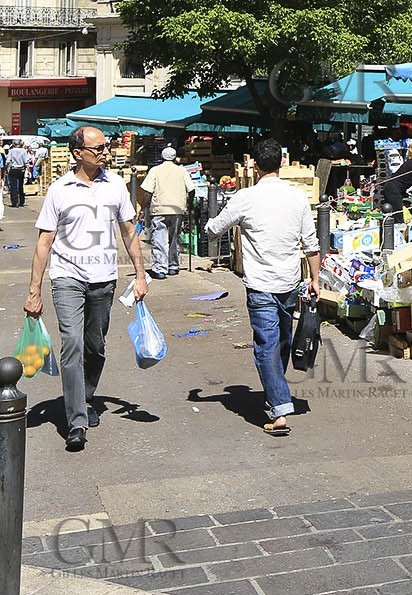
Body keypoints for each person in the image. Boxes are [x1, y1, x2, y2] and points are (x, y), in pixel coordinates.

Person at [23, 125, 147, 452]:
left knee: (96, 346)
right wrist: (34, 290)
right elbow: (44, 242)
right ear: (78, 153)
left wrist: (140, 275)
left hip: (104, 280)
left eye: (106, 146)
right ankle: (76, 420)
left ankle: (86, 395)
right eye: (98, 148)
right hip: (67, 278)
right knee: (73, 344)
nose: (105, 152)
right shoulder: (59, 190)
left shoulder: (115, 185)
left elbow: (129, 230)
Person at [205, 135, 320, 437]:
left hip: (260, 285)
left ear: (255, 165)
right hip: (290, 282)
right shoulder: (297, 197)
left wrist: (212, 220)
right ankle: (276, 397)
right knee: (280, 342)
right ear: (281, 162)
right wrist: (315, 279)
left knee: (267, 345)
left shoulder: (245, 198)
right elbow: (311, 245)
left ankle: (279, 405)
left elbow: (214, 229)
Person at [139, 145, 194, 278]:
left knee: (159, 238)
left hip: (160, 209)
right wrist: (189, 204)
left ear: (162, 157)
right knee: (174, 238)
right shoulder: (182, 171)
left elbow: (147, 192)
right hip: (177, 208)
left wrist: (143, 208)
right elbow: (191, 190)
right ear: (174, 158)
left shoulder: (155, 170)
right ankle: (173, 266)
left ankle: (160, 268)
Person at [7, 140, 29, 208]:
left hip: (14, 169)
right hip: (21, 169)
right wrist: (28, 170)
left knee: (13, 186)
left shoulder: (11, 151)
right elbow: (26, 161)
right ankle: (21, 201)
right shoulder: (24, 151)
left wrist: (7, 168)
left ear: (14, 144)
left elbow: (8, 161)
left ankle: (14, 202)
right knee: (20, 185)